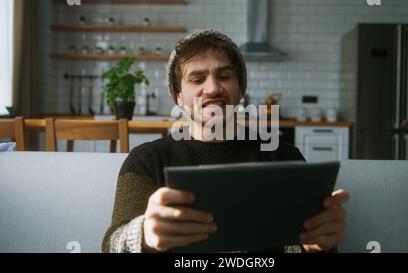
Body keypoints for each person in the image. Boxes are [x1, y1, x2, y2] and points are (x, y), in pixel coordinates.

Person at [102, 29, 349, 253]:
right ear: (178, 95)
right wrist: (144, 234)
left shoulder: (285, 158)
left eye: (224, 75)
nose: (212, 88)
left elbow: (304, 244)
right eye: (197, 79)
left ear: (239, 87)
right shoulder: (146, 160)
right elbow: (112, 244)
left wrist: (316, 247)